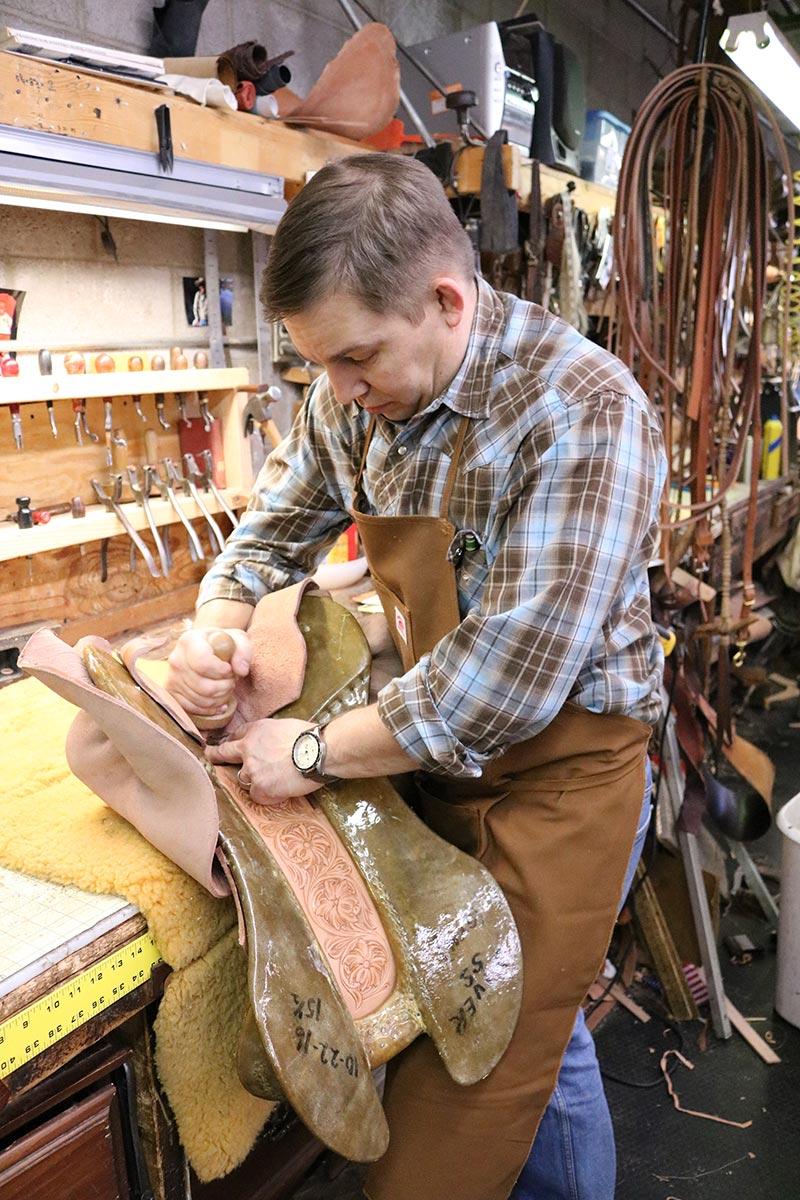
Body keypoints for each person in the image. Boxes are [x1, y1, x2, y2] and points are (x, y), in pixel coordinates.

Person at [166, 153, 666, 1200]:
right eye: (319, 367)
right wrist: (216, 632)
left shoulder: (579, 410)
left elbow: (500, 688)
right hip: (433, 767)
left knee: (477, 1083)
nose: (338, 392)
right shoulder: (352, 399)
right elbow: (268, 535)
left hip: (561, 779)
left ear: (446, 299)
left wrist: (303, 750)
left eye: (356, 358)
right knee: (526, 1031)